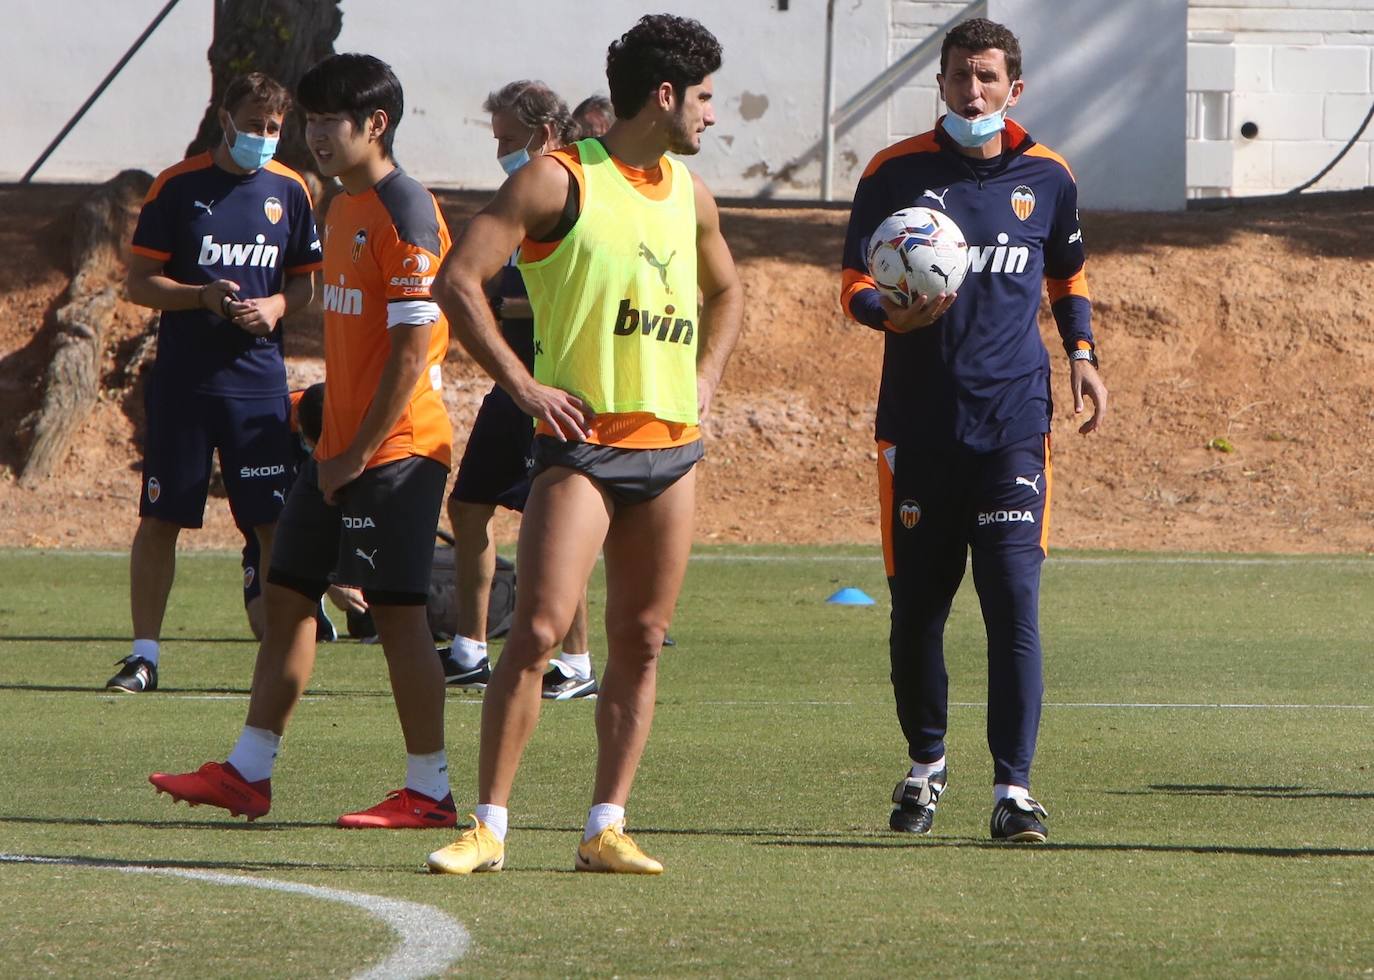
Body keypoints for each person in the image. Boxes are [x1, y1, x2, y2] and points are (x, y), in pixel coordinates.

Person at [426, 13, 742, 874]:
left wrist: (706, 378)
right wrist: (521, 386)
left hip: (671, 452)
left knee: (640, 638)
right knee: (533, 631)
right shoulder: (555, 182)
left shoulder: (692, 194)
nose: (714, 116)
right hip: (583, 449)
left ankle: (605, 825)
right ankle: (488, 826)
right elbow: (457, 280)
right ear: (665, 95)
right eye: (706, 98)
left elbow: (726, 294)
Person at [150, 53, 459, 830]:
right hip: (339, 453)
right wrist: (330, 445)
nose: (313, 135)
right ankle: (247, 775)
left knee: (396, 612)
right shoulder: (342, 206)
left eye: (329, 121)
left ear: (374, 125)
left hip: (396, 452)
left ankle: (430, 792)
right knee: (287, 593)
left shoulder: (406, 210)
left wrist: (357, 453)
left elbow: (414, 352)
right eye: (310, 121)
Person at [840, 17, 1107, 844]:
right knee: (918, 608)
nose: (973, 90)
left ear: (1013, 88)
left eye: (988, 77)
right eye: (959, 75)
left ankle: (1014, 789)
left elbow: (1067, 274)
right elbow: (851, 281)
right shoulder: (893, 174)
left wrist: (1084, 353)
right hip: (918, 429)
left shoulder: (1048, 176)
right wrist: (886, 314)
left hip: (1015, 427)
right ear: (942, 84)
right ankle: (925, 765)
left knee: (1012, 606)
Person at [109, 72, 321, 693]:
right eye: (253, 125)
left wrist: (279, 307)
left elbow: (305, 280)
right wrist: (201, 296)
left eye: (274, 128)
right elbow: (140, 282)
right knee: (161, 516)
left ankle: (284, 653)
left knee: (272, 523)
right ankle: (143, 655)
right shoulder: (177, 187)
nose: (263, 137)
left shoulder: (292, 190)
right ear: (225, 120)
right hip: (185, 385)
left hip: (259, 385)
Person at [437, 79, 599, 701]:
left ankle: (577, 663)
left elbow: (570, 287)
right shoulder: (521, 193)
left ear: (547, 133)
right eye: (498, 139)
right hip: (514, 388)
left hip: (555, 385)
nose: (502, 151)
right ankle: (470, 648)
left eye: (510, 139)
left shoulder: (568, 188)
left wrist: (512, 301)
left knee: (555, 524)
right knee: (470, 506)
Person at [239, 384, 366, 643]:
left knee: (376, 621)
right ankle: (312, 594)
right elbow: (268, 529)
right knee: (269, 628)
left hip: (341, 534)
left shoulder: (353, 421)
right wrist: (331, 584)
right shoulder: (263, 437)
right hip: (275, 541)